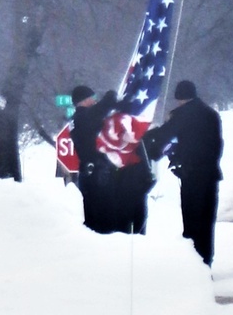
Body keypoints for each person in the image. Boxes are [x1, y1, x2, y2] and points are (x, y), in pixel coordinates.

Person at [143, 80, 223, 266]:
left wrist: (149, 142)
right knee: (207, 220)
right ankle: (207, 259)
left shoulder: (181, 115)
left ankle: (195, 263)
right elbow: (218, 145)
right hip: (210, 174)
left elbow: (164, 135)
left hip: (191, 174)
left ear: (179, 98)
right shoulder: (212, 114)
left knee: (192, 219)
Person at [69, 85, 151, 235]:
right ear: (84, 100)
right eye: (91, 99)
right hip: (96, 177)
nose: (94, 101)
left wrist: (120, 106)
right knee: (102, 224)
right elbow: (95, 114)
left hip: (100, 176)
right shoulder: (81, 118)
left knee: (106, 220)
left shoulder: (88, 119)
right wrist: (109, 99)